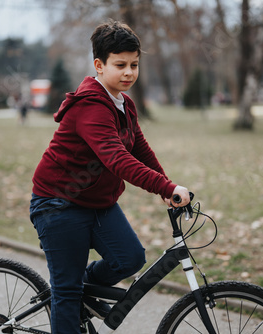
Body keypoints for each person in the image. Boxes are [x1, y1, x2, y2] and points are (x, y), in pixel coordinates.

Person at [29, 20, 190, 334]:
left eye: (134, 65)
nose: (129, 72)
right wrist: (165, 185)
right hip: (58, 204)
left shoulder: (124, 102)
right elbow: (117, 158)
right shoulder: (91, 107)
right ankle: (72, 291)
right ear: (99, 66)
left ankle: (79, 285)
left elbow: (139, 147)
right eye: (120, 65)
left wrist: (165, 186)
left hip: (96, 201)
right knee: (67, 293)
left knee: (129, 258)